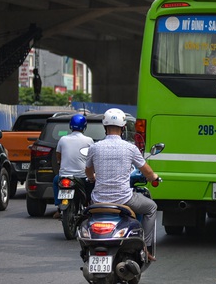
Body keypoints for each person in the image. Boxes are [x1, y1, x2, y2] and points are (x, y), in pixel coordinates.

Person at [85, 108, 159, 262]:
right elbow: (147, 172)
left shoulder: (94, 147)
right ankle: (146, 247)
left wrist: (93, 178)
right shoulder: (130, 148)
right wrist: (154, 177)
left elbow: (88, 171)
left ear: (105, 127)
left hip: (99, 200)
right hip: (124, 199)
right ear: (123, 128)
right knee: (151, 207)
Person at [52, 114, 94, 219]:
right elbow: (92, 157)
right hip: (82, 177)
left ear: (70, 126)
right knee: (92, 182)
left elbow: (58, 156)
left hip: (64, 176)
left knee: (55, 180)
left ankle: (58, 206)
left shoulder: (62, 139)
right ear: (84, 127)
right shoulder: (89, 140)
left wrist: (60, 162)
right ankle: (89, 204)